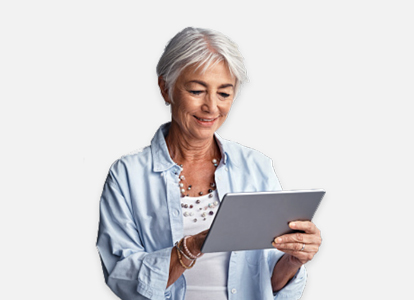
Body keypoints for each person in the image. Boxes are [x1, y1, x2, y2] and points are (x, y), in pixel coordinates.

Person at [96, 27, 322, 300]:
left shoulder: (256, 168)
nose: (211, 107)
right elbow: (122, 278)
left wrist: (293, 260)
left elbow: (266, 282)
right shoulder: (127, 176)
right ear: (165, 88)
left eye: (224, 94)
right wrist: (192, 246)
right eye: (196, 90)